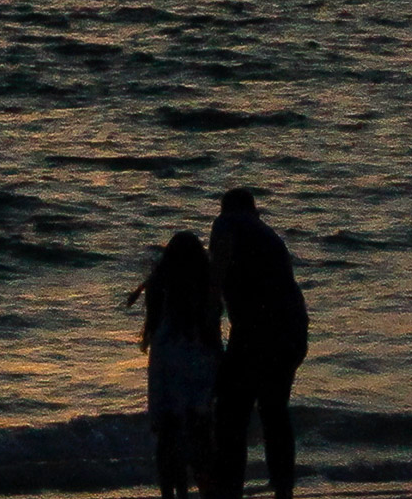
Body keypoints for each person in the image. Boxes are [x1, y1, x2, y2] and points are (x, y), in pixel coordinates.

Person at [209, 187, 311, 499]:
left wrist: (211, 335)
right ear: (255, 210)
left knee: (231, 413)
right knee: (274, 411)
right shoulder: (266, 233)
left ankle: (230, 491)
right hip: (292, 329)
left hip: (259, 329)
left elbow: (216, 278)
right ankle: (284, 490)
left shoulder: (226, 224)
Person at [131, 230, 225, 499]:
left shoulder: (160, 284)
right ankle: (206, 487)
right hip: (199, 360)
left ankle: (172, 492)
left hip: (166, 360)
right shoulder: (207, 286)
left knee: (167, 429)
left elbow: (152, 327)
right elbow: (213, 332)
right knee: (199, 429)